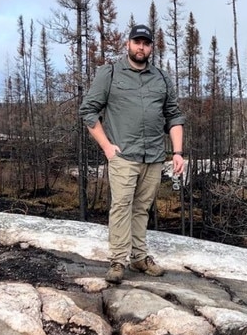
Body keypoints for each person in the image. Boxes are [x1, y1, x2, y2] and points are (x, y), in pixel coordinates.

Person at [79, 24, 185, 284]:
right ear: (128, 44)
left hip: (154, 157)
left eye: (146, 43)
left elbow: (174, 116)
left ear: (151, 47)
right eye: (137, 42)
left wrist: (178, 152)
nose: (141, 47)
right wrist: (106, 146)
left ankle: (139, 257)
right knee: (121, 207)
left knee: (142, 208)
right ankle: (118, 260)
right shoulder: (111, 73)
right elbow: (89, 110)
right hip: (124, 155)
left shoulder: (160, 77)